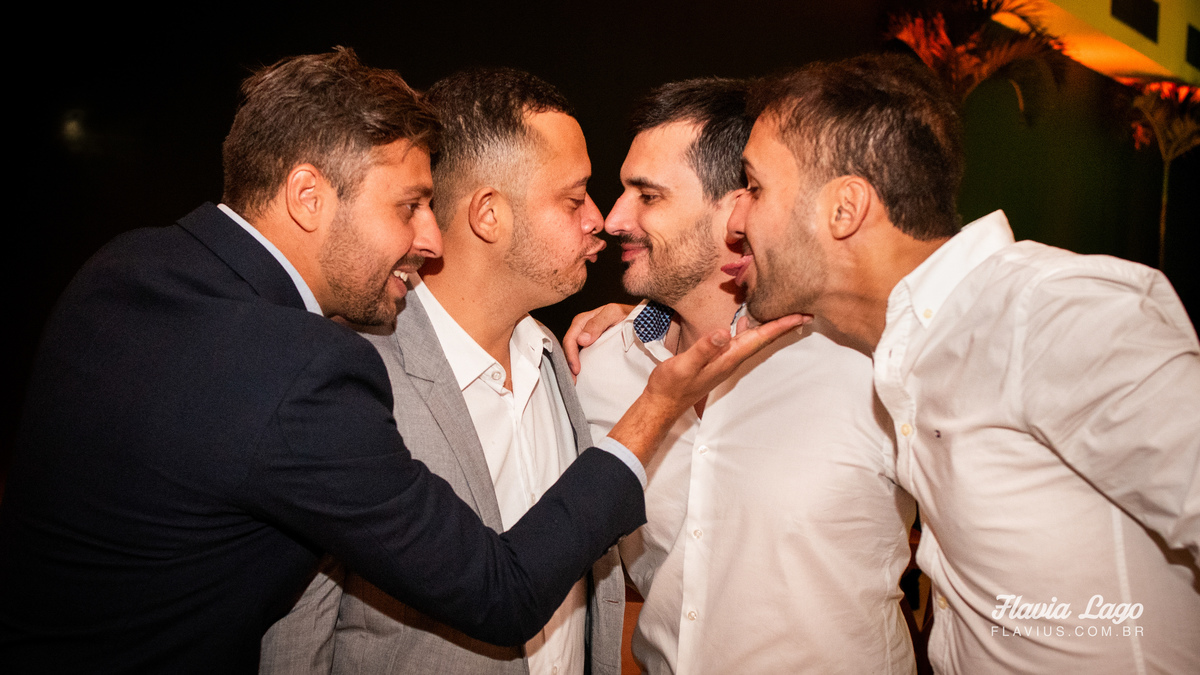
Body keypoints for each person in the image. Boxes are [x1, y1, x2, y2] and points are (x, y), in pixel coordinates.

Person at [0, 49, 800, 673]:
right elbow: (496, 590)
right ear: (308, 196)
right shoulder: (309, 368)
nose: (428, 235)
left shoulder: (125, 272)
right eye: (408, 205)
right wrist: (655, 408)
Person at [726, 53, 1200, 674]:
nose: (736, 219)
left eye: (755, 187)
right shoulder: (910, 343)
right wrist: (634, 325)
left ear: (845, 209)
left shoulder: (1049, 310)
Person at [262, 67, 623, 675]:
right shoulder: (350, 380)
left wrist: (644, 325)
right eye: (574, 198)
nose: (599, 218)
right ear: (489, 214)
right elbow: (295, 640)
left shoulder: (556, 354)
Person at [572, 78, 917, 674]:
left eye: (647, 195)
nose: (614, 218)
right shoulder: (600, 365)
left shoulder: (861, 361)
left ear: (739, 208)